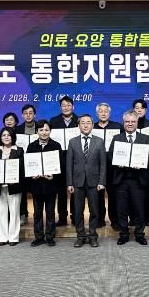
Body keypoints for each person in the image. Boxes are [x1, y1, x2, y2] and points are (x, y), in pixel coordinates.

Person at [108, 110, 149, 245]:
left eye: (133, 121)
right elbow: (110, 155)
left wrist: (142, 163)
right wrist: (117, 162)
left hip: (138, 180)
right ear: (123, 123)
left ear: (137, 123)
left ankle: (139, 234)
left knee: (139, 209)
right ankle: (123, 234)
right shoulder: (117, 138)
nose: (130, 124)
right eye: (127, 121)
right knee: (121, 209)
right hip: (121, 180)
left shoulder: (145, 138)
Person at [67, 114, 106, 248]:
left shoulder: (99, 141)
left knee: (94, 211)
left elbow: (103, 164)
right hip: (77, 182)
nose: (85, 125)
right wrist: (69, 183)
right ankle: (81, 236)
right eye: (82, 123)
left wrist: (102, 181)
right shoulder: (72, 142)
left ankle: (93, 236)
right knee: (78, 211)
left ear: (92, 125)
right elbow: (69, 164)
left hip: (94, 182)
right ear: (78, 126)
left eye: (88, 122)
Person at [26, 120, 62, 247]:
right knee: (37, 213)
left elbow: (61, 165)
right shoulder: (31, 146)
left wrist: (54, 176)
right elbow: (28, 165)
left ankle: (50, 237)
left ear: (50, 131)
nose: (44, 132)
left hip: (51, 185)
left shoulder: (56, 145)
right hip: (36, 186)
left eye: (46, 130)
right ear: (37, 132)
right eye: (41, 130)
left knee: (50, 213)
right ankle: (39, 237)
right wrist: (31, 175)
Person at [0, 127, 24, 246]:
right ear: (0, 137)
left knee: (14, 211)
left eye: (8, 135)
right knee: (2, 211)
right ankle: (3, 237)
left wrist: (15, 178)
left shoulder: (19, 150)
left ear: (13, 137)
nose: (6, 137)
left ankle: (13, 237)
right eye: (3, 135)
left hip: (14, 186)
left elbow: (22, 168)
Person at [49, 96, 79, 227]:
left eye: (68, 105)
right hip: (59, 160)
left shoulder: (79, 120)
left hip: (76, 160)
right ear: (60, 107)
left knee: (75, 190)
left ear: (73, 106)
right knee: (61, 190)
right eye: (63, 105)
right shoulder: (53, 121)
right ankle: (62, 217)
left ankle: (75, 216)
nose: (66, 107)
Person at [94, 102, 122, 229]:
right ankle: (99, 218)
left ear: (109, 113)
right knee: (98, 194)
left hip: (113, 166)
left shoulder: (118, 127)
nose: (103, 113)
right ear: (97, 113)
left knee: (113, 194)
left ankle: (114, 220)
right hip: (96, 166)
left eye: (106, 111)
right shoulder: (92, 127)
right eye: (101, 111)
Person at [132, 98, 149, 227]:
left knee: (146, 192)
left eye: (141, 108)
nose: (139, 110)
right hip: (131, 166)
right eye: (136, 108)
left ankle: (146, 217)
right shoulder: (129, 124)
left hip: (147, 165)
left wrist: (147, 161)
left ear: (145, 110)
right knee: (131, 191)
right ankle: (133, 217)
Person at [16, 105, 37, 226]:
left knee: (36, 191)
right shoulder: (17, 129)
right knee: (22, 190)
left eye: (30, 113)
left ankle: (38, 214)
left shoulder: (40, 127)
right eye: (25, 113)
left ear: (35, 115)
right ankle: (23, 213)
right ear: (22, 115)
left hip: (36, 163)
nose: (28, 115)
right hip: (22, 163)